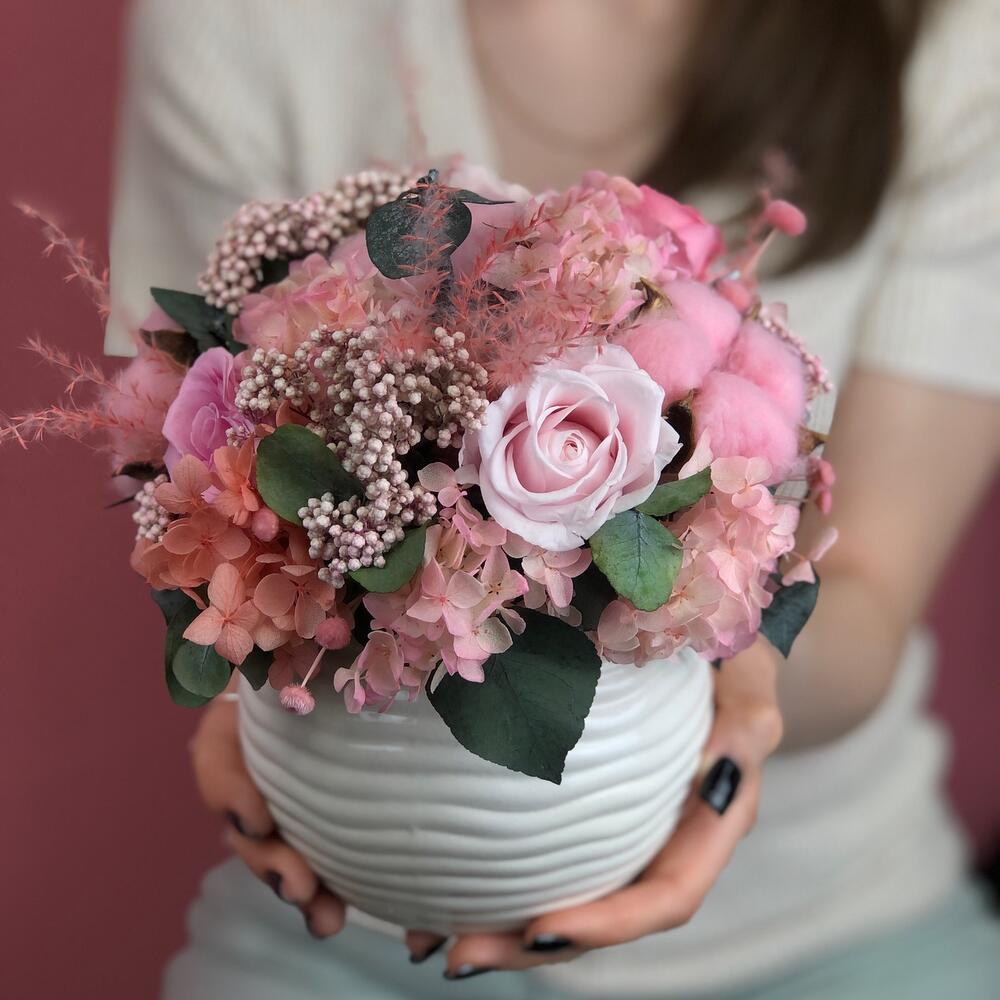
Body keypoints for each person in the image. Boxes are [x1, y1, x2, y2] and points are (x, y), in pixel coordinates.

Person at [107, 1, 1000, 996]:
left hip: (824, 924)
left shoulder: (951, 37)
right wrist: (259, 658)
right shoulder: (240, 22)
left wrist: (734, 653)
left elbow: (867, 584)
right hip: (351, 901)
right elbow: (194, 466)